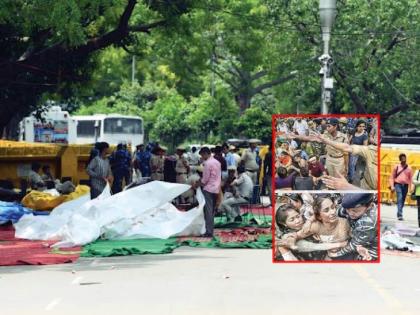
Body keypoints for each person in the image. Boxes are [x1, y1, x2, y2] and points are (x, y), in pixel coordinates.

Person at [311, 130, 378, 190]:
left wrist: (347, 186)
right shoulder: (371, 150)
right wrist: (325, 140)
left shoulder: (343, 136)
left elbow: (346, 153)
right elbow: (347, 147)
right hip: (366, 185)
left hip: (339, 161)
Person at [331, 193, 378, 260]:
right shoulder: (352, 208)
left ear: (369, 206)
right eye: (348, 209)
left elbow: (354, 245)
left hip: (369, 251)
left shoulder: (368, 222)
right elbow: (338, 211)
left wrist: (335, 255)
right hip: (356, 239)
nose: (350, 213)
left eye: (355, 211)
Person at [199, 147, 221, 237]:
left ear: (205, 153)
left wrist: (198, 183)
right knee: (211, 211)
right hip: (216, 188)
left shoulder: (207, 163)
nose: (202, 157)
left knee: (208, 211)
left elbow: (205, 179)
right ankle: (210, 230)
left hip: (208, 188)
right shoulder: (217, 162)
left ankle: (209, 231)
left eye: (202, 155)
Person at [390, 153, 413, 220]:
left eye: (404, 158)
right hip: (398, 184)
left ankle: (399, 212)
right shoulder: (396, 167)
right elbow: (392, 177)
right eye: (402, 158)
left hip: (405, 185)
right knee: (400, 198)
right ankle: (400, 214)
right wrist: (392, 186)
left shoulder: (409, 168)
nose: (403, 159)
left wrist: (411, 188)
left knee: (402, 200)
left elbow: (411, 179)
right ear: (400, 159)